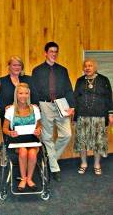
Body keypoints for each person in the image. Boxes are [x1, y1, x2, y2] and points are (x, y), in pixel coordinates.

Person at [31, 42, 75, 182]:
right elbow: (35, 90)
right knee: (47, 137)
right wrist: (37, 106)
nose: (54, 54)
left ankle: (50, 159)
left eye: (56, 51)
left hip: (61, 104)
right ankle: (55, 168)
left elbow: (68, 88)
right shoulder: (37, 70)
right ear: (45, 53)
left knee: (66, 134)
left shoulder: (63, 70)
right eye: (51, 51)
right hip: (45, 105)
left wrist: (72, 105)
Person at [74, 58, 113, 175]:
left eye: (90, 65)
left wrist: (110, 113)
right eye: (85, 66)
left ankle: (97, 164)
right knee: (82, 142)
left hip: (99, 116)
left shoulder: (104, 80)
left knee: (98, 142)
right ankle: (83, 163)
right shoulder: (80, 81)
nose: (87, 68)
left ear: (95, 67)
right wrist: (75, 117)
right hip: (82, 116)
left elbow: (109, 97)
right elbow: (75, 98)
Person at [3, 83, 41, 192]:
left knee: (32, 153)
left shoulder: (34, 109)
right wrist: (10, 133)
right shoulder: (10, 110)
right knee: (23, 152)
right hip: (17, 140)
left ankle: (29, 179)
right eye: (20, 93)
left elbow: (39, 125)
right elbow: (5, 128)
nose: (23, 96)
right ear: (16, 95)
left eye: (26, 93)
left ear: (29, 95)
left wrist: (39, 130)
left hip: (32, 139)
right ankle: (23, 179)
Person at [0, 56, 33, 125]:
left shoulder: (29, 79)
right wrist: (4, 107)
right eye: (14, 65)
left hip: (27, 116)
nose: (17, 67)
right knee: (10, 135)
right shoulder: (1, 81)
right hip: (8, 116)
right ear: (9, 66)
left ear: (22, 67)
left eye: (19, 65)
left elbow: (34, 95)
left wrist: (34, 105)